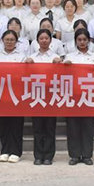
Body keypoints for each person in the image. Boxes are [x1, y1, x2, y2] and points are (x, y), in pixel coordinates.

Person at [63, 28, 94, 165]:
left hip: (89, 96)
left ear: (88, 41)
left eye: (84, 39)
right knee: (72, 126)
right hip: (73, 96)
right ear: (75, 41)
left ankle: (86, 155)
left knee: (88, 126)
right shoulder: (69, 57)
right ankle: (74, 155)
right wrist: (65, 66)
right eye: (79, 40)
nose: (82, 42)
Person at [26, 29, 62, 165]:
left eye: (46, 38)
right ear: (37, 41)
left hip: (51, 96)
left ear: (50, 41)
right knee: (37, 128)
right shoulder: (32, 58)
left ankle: (48, 156)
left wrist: (59, 64)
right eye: (41, 38)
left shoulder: (55, 57)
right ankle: (38, 155)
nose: (44, 41)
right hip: (36, 96)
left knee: (50, 128)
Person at [0, 30, 27, 163]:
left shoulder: (22, 56)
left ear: (16, 42)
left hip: (17, 94)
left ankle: (16, 151)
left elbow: (25, 74)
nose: (9, 42)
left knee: (16, 124)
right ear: (2, 41)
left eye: (12, 40)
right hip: (1, 94)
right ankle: (5, 150)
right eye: (7, 40)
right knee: (4, 124)